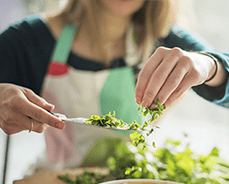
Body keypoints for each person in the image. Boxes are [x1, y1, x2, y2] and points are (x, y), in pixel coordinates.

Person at [0, 0, 228, 170]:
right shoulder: (30, 39)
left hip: (132, 175)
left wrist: (210, 66)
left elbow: (219, 71)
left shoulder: (166, 40)